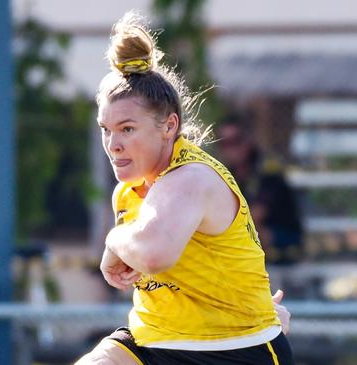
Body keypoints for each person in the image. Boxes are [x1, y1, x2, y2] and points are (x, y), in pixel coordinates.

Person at [75, 12, 294, 365]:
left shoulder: (191, 177)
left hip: (233, 350)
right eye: (106, 129)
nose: (113, 144)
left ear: (169, 126)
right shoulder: (128, 192)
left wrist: (113, 241)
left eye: (127, 129)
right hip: (153, 341)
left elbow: (154, 253)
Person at [217, 120, 304, 265]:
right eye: (224, 143)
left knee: (250, 232)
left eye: (236, 141)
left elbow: (255, 215)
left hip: (284, 237)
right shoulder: (227, 172)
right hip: (253, 236)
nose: (231, 149)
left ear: (248, 140)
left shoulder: (268, 169)